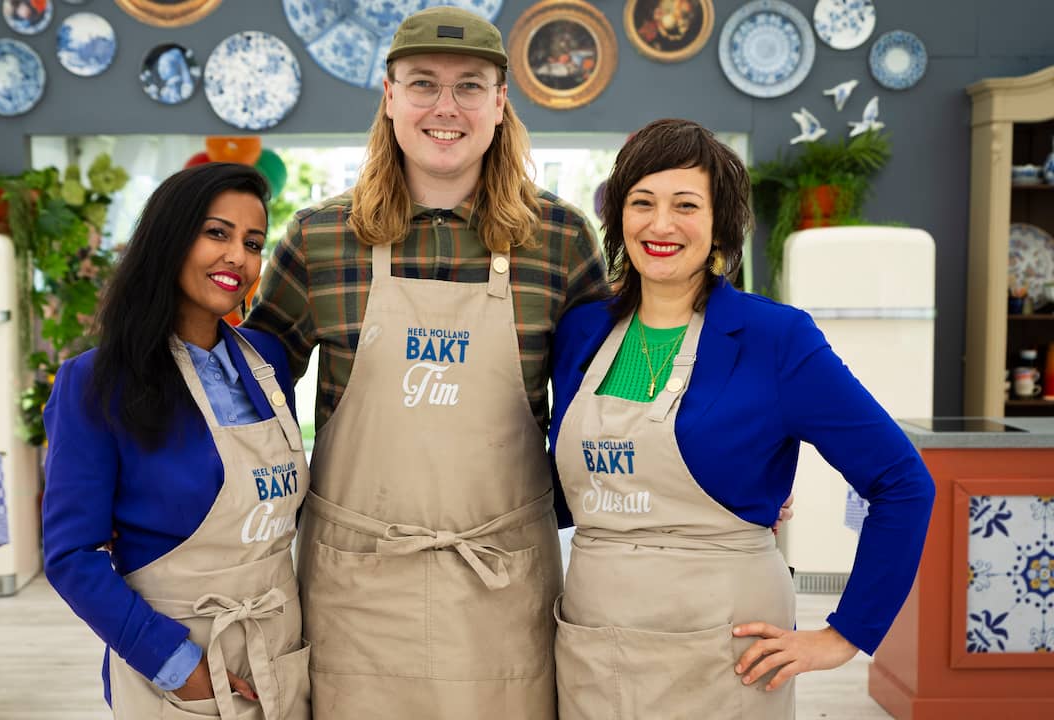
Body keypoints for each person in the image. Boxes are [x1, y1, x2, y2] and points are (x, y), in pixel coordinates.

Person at [243, 6, 607, 718]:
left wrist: (707, 474)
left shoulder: (560, 238)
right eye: (422, 84)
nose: (446, 107)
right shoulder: (319, 239)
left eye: (470, 86)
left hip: (501, 586)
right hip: (356, 587)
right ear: (389, 96)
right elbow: (249, 397)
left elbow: (605, 401)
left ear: (500, 102)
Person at [547, 118, 935, 718]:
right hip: (595, 640)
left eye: (686, 205)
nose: (660, 224)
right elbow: (566, 488)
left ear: (720, 222)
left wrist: (844, 635)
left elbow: (902, 482)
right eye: (642, 202)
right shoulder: (581, 332)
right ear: (619, 216)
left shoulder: (775, 339)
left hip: (727, 647)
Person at [42, 163, 311, 719]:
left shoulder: (268, 362)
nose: (238, 256)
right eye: (217, 233)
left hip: (280, 648)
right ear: (169, 238)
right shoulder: (95, 382)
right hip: (178, 664)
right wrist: (179, 667)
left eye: (252, 243)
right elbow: (71, 556)